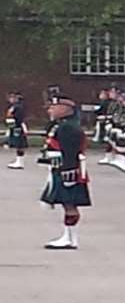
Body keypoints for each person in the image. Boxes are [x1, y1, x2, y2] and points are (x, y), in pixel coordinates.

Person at [38, 86, 91, 249]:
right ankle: (68, 235)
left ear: (65, 109)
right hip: (59, 167)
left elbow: (70, 151)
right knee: (65, 203)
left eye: (54, 107)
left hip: (67, 169)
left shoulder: (68, 127)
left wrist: (69, 171)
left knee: (69, 203)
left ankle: (70, 237)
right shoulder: (60, 125)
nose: (50, 110)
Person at [5, 90, 27, 169]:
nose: (10, 99)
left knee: (19, 144)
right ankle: (18, 160)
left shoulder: (18, 107)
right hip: (14, 127)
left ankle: (20, 162)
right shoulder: (14, 106)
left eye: (12, 97)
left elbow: (18, 118)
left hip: (17, 127)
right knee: (18, 144)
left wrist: (15, 126)